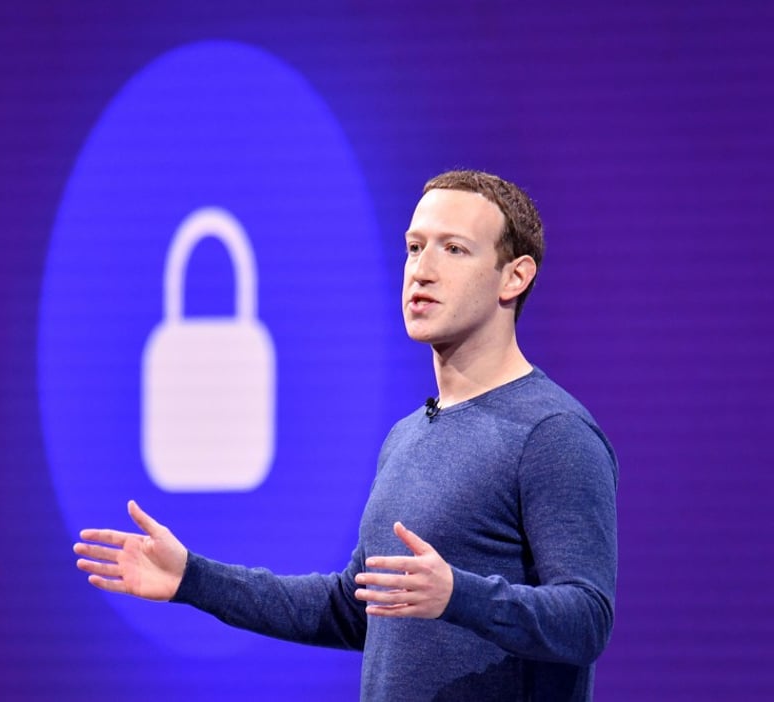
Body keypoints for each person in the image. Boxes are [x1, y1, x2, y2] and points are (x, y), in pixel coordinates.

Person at [73, 170, 618, 701]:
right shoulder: (408, 436)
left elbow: (586, 620)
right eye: (413, 247)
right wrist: (194, 578)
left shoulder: (552, 433)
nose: (421, 270)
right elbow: (350, 609)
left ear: (514, 277)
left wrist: (458, 594)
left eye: (453, 249)